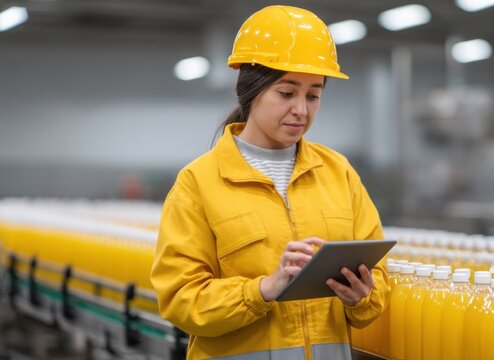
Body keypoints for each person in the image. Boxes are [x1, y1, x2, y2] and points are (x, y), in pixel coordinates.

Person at [150, 5, 390, 360]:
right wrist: (263, 290)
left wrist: (362, 297)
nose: (301, 110)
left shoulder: (338, 172)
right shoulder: (199, 182)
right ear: (251, 90)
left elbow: (378, 279)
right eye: (287, 93)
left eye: (313, 95)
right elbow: (180, 299)